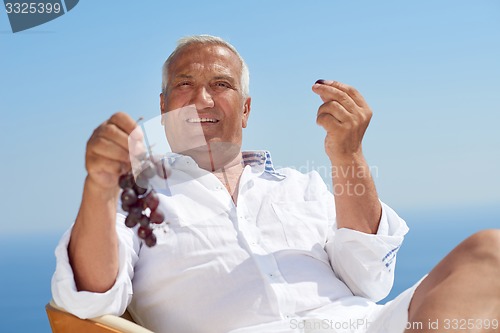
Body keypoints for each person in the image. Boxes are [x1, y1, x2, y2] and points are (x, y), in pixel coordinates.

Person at [51, 35, 500, 333]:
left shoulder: (299, 185)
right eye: (185, 85)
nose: (203, 98)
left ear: (245, 110)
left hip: (365, 324)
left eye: (220, 84)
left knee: (489, 252)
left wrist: (348, 156)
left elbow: (371, 279)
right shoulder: (135, 199)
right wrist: (99, 186)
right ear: (164, 105)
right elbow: (88, 302)